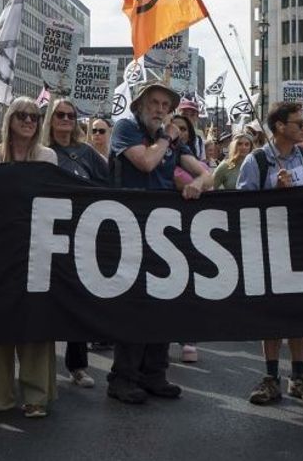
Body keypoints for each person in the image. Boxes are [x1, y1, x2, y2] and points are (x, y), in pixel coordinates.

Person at [106, 82, 212, 405]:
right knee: (134, 304)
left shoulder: (173, 142)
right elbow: (147, 163)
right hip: (129, 227)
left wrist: (195, 183)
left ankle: (154, 373)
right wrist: (167, 138)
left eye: (166, 104)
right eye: (154, 103)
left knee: (163, 300)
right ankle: (123, 377)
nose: (161, 109)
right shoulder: (126, 128)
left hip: (161, 232)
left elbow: (207, 174)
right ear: (140, 105)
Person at [0, 97, 60, 418]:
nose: (28, 121)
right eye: (21, 115)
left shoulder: (47, 156)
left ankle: (36, 397)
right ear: (9, 119)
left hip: (36, 248)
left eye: (35, 117)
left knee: (36, 320)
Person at [239, 101, 303, 406]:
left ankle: (299, 377)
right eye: (298, 124)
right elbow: (241, 208)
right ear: (279, 127)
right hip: (269, 248)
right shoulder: (257, 162)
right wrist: (272, 193)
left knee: (299, 313)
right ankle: (271, 377)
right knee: (273, 314)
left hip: (300, 245)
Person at [42, 98, 108, 389]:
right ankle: (39, 365)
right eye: (60, 114)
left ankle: (77, 365)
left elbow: (107, 184)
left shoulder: (87, 153)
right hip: (45, 233)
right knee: (44, 299)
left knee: (75, 300)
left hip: (81, 234)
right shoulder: (42, 152)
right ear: (50, 119)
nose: (66, 119)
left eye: (71, 114)